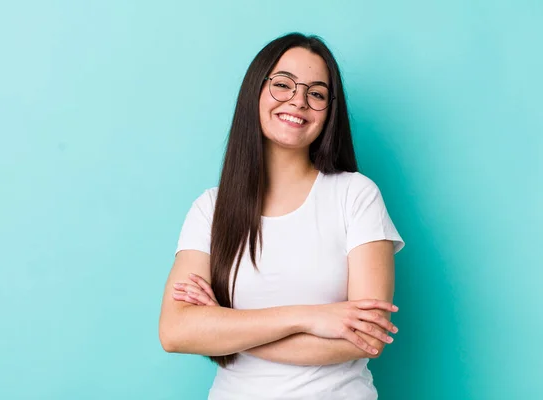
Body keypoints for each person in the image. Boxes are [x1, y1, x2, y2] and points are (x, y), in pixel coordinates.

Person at [158, 32, 405, 400]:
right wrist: (308, 317)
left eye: (317, 93)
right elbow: (176, 331)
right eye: (283, 85)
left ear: (329, 111)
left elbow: (367, 339)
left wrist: (224, 327)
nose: (299, 101)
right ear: (255, 91)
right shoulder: (210, 209)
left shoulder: (356, 195)